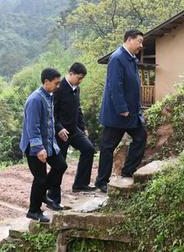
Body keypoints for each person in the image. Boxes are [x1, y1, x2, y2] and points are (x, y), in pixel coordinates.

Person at [95, 29, 147, 193]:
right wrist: (122, 108)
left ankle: (127, 172)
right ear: (129, 40)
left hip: (131, 113)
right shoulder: (117, 58)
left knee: (140, 137)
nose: (141, 45)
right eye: (139, 41)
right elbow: (114, 86)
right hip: (118, 114)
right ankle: (102, 181)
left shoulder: (131, 58)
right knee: (108, 146)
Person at [19, 68, 67, 222]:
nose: (58, 86)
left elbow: (49, 122)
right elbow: (32, 127)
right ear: (46, 82)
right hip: (34, 146)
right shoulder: (35, 99)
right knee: (40, 179)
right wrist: (39, 148)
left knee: (60, 166)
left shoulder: (49, 96)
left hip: (48, 143)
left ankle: (44, 195)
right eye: (56, 83)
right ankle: (33, 211)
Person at [47, 62, 96, 206]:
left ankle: (80, 183)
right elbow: (52, 112)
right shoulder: (58, 88)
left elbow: (78, 109)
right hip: (60, 133)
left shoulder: (77, 89)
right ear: (71, 74)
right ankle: (52, 197)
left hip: (74, 130)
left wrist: (83, 127)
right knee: (59, 165)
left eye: (82, 79)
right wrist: (59, 128)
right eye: (79, 78)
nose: (80, 81)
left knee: (89, 149)